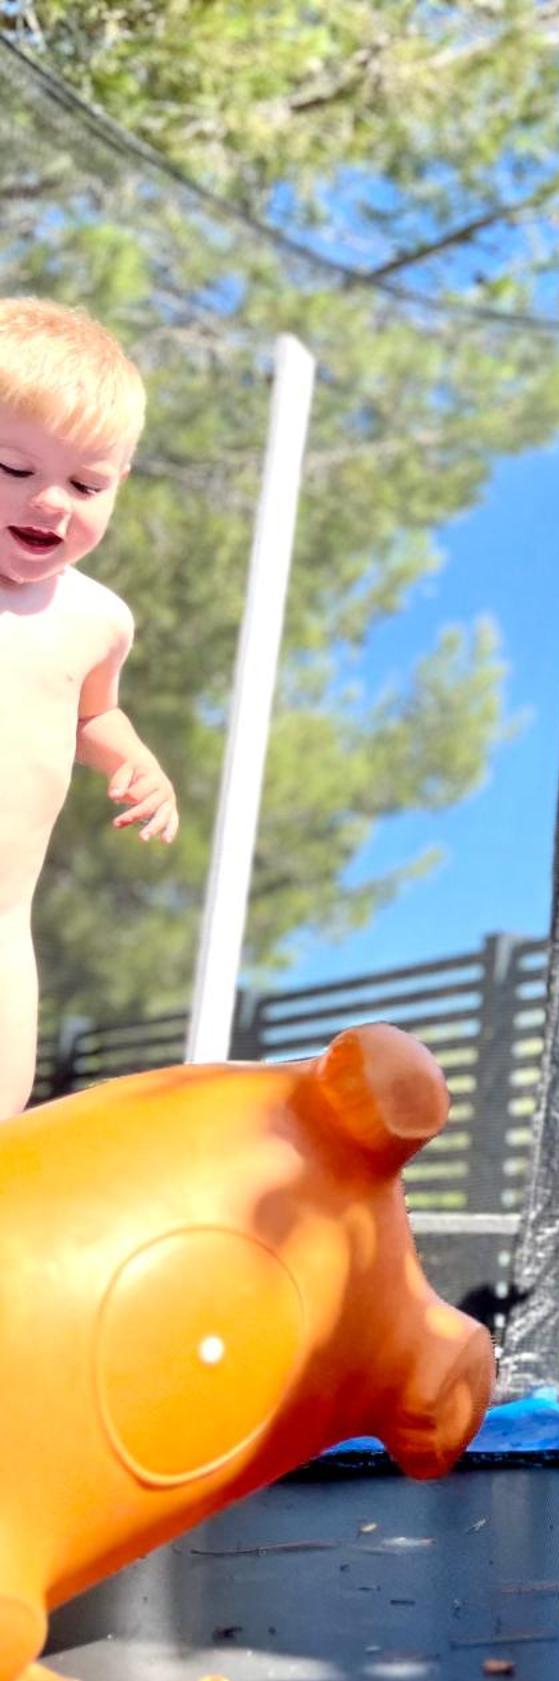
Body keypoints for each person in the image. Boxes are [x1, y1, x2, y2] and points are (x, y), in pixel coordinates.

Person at [0, 298, 178, 1117]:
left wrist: (134, 762)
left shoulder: (96, 621)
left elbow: (91, 718)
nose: (52, 502)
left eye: (86, 483)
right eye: (14, 469)